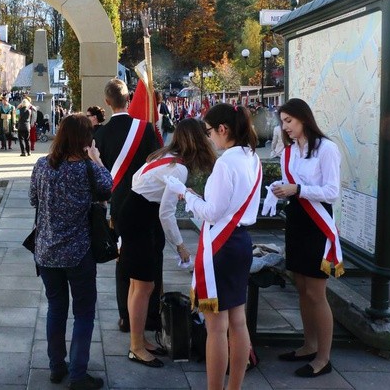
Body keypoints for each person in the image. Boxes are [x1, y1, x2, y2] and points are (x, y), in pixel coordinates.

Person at [164, 103, 262, 390]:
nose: (208, 138)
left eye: (209, 131)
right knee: (238, 321)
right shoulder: (251, 157)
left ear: (223, 129)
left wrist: (184, 193)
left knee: (217, 327)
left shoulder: (226, 163)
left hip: (221, 245)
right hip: (241, 242)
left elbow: (212, 212)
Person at [121, 119, 216, 368]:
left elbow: (136, 180)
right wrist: (181, 246)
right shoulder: (178, 168)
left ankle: (138, 338)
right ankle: (136, 347)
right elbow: (166, 213)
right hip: (142, 219)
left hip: (134, 212)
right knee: (144, 286)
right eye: (206, 135)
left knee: (138, 284)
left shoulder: (165, 155)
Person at [30, 114, 112, 389]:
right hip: (79, 253)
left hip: (47, 250)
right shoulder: (87, 169)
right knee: (84, 312)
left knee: (56, 308)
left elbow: (33, 199)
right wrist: (97, 159)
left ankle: (56, 366)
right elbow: (107, 189)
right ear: (85, 139)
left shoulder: (42, 166)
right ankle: (78, 374)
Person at [272, 98, 342, 378]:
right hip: (297, 220)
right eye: (283, 122)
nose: (285, 127)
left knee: (316, 292)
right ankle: (308, 345)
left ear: (304, 118)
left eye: (289, 121)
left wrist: (298, 189)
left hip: (317, 224)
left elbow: (332, 191)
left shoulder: (327, 149)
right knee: (301, 287)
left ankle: (324, 358)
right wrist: (279, 190)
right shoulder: (289, 152)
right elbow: (292, 187)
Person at [93, 79, 160, 334]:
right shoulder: (146, 129)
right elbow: (156, 163)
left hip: (119, 205)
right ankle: (151, 313)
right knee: (151, 256)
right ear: (129, 99)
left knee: (124, 260)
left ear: (107, 102)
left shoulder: (99, 134)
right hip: (147, 202)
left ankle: (125, 315)